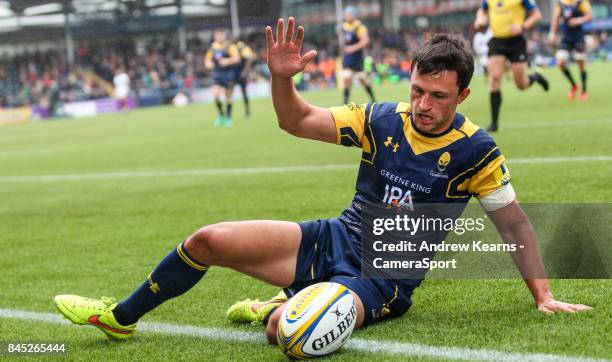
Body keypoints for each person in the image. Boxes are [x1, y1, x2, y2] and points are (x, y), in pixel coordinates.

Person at [54, 18, 591, 346]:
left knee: (286, 333)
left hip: (383, 280)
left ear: (463, 97)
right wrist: (281, 80)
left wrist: (542, 296)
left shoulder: (477, 151)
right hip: (332, 239)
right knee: (207, 240)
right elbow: (296, 121)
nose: (423, 106)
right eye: (417, 91)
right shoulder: (380, 118)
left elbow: (515, 223)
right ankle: (120, 318)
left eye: (438, 97)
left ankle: (281, 305)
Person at [474, 0, 550, 132]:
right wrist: (480, 19)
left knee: (521, 84)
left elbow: (537, 15)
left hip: (516, 42)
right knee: (495, 79)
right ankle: (494, 123)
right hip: (497, 41)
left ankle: (536, 77)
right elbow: (482, 10)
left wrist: (523, 26)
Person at [548, 0, 593, 100]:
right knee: (560, 62)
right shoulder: (561, 3)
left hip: (578, 37)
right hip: (566, 38)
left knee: (580, 60)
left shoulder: (581, 2)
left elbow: (590, 16)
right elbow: (555, 18)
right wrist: (552, 33)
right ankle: (574, 85)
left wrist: (578, 20)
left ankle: (584, 91)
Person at [205, 29, 241, 127]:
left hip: (228, 73)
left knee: (228, 96)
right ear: (215, 36)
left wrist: (227, 61)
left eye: (221, 35)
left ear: (224, 36)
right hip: (217, 74)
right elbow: (207, 61)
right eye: (217, 35)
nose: (219, 37)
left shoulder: (230, 46)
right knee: (216, 95)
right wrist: (209, 65)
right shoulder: (212, 47)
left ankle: (228, 117)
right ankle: (221, 115)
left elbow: (237, 58)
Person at [341, 6, 376, 104]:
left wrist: (353, 48)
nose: (347, 16)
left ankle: (373, 99)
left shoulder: (359, 27)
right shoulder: (344, 27)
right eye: (346, 14)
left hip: (357, 58)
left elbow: (365, 41)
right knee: (346, 77)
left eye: (349, 14)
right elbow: (344, 43)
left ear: (353, 15)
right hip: (348, 58)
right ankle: (345, 101)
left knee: (363, 79)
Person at [233, 39, 255, 117]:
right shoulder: (233, 47)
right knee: (240, 92)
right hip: (234, 73)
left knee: (243, 92)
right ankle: (246, 111)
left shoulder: (240, 47)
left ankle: (247, 111)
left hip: (239, 73)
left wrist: (245, 71)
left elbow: (249, 59)